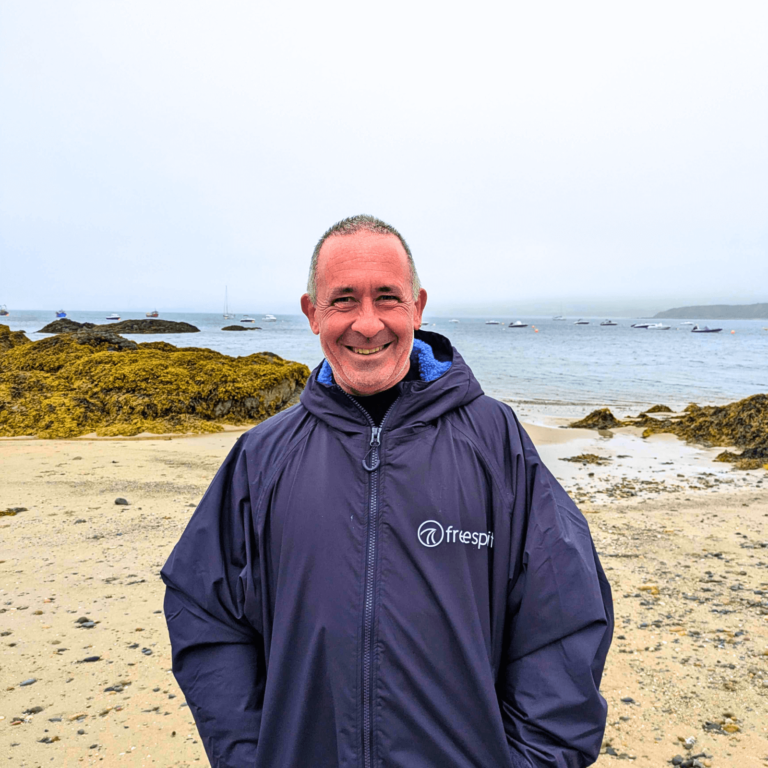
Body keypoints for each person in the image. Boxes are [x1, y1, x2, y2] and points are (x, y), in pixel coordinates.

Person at [162, 214, 613, 768]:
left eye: (388, 298)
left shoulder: (495, 442)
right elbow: (204, 609)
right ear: (312, 313)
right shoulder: (264, 455)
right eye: (344, 300)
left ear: (418, 307)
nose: (368, 324)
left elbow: (566, 616)